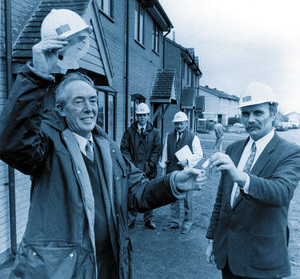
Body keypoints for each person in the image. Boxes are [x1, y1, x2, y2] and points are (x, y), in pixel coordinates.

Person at [0, 35, 207, 277]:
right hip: (66, 271)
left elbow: (137, 191)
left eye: (92, 101)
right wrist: (36, 75)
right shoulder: (47, 145)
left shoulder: (106, 147)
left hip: (109, 265)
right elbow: (12, 142)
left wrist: (174, 182)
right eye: (78, 102)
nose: (89, 108)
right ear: (61, 109)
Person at [205, 81, 300, 279]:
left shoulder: (290, 152)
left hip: (262, 261)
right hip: (229, 256)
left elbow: (281, 192)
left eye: (258, 113)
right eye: (245, 114)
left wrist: (240, 176)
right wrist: (212, 238)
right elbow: (222, 200)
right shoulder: (234, 149)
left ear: (273, 114)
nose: (250, 120)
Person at [160, 111, 203, 234]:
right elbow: (165, 153)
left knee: (188, 199)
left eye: (181, 124)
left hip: (187, 172)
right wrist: (164, 169)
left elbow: (199, 154)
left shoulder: (193, 137)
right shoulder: (169, 136)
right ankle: (175, 222)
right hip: (173, 172)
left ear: (186, 123)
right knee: (173, 198)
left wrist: (188, 160)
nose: (179, 126)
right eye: (177, 124)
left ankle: (187, 222)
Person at [121, 103, 160, 230]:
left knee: (150, 194)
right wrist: (131, 165)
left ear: (148, 116)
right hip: (133, 169)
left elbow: (156, 150)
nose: (142, 117)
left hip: (150, 170)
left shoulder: (154, 132)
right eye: (139, 115)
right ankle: (131, 219)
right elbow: (124, 149)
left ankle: (148, 220)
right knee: (132, 194)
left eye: (144, 115)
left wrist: (149, 165)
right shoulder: (129, 131)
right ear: (136, 116)